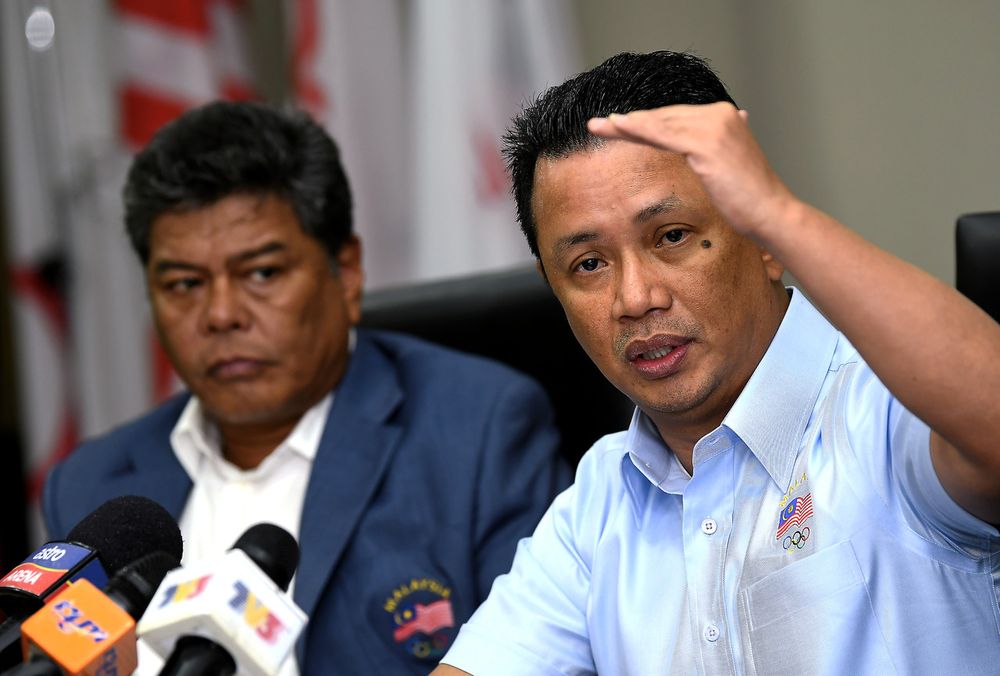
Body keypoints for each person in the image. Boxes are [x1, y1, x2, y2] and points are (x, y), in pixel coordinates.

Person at [434, 50, 1000, 675]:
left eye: (672, 236)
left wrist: (782, 214)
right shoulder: (601, 499)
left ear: (760, 237)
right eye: (588, 265)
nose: (635, 298)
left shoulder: (881, 410)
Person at [42, 100, 570, 674]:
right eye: (185, 283)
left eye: (262, 273)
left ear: (345, 273)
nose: (220, 314)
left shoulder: (479, 430)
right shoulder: (92, 485)